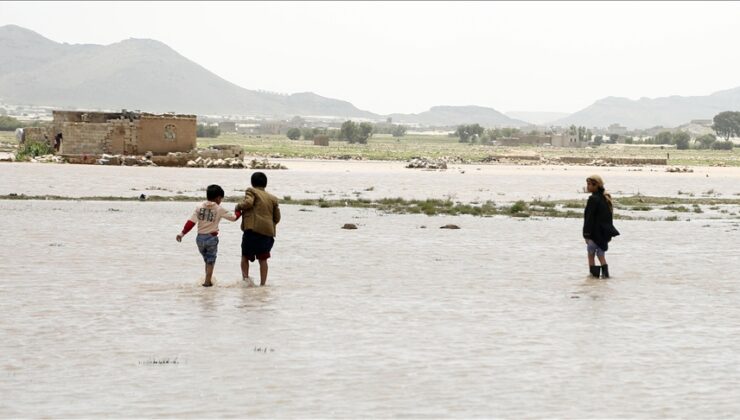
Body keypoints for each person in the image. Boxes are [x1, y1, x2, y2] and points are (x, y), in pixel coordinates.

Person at [176, 184, 240, 287]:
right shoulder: (219, 209)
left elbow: (191, 222)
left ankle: (208, 279)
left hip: (200, 239)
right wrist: (239, 211)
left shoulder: (199, 207)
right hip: (211, 238)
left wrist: (182, 233)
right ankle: (207, 282)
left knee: (207, 260)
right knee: (211, 261)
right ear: (218, 198)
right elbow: (233, 218)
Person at [236, 172, 281, 286]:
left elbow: (248, 203)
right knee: (263, 259)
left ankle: (246, 281)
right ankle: (263, 284)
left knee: (245, 256)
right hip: (267, 233)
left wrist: (238, 206)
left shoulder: (251, 191)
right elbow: (277, 218)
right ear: (265, 184)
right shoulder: (273, 198)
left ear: (252, 183)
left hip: (252, 231)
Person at [583, 174, 620, 278]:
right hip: (603, 234)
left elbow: (588, 218)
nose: (587, 186)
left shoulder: (593, 199)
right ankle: (605, 276)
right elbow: (608, 218)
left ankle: (593, 277)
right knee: (601, 255)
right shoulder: (605, 198)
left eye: (589, 184)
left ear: (596, 185)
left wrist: (586, 235)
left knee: (591, 255)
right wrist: (608, 234)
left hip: (594, 234)